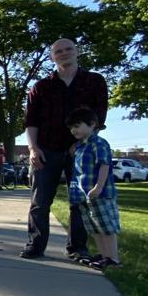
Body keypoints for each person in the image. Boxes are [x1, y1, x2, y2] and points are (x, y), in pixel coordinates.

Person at [20, 38, 108, 260]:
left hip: (81, 152)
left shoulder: (94, 81)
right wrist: (33, 148)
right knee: (39, 203)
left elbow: (99, 117)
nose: (64, 53)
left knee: (78, 202)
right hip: (46, 150)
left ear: (77, 52)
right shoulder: (41, 87)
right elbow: (31, 121)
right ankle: (35, 245)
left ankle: (77, 248)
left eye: (68, 49)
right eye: (58, 51)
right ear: (52, 57)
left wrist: (79, 143)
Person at [66, 106, 121, 270]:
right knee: (94, 227)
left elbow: (104, 165)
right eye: (71, 127)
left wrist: (98, 187)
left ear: (92, 124)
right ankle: (104, 256)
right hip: (84, 195)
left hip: (101, 194)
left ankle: (114, 259)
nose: (73, 130)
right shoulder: (79, 147)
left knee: (106, 227)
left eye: (77, 126)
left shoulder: (99, 143)